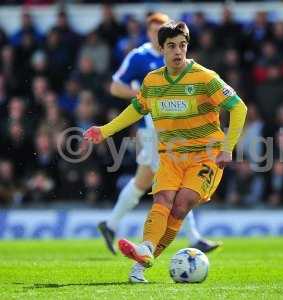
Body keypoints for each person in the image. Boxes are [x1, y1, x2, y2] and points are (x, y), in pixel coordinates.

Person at [84, 20, 247, 283]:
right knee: (162, 201)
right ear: (161, 49)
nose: (178, 51)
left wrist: (228, 147)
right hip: (170, 154)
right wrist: (104, 131)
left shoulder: (206, 78)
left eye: (182, 45)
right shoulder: (153, 81)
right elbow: (135, 110)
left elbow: (239, 108)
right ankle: (144, 254)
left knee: (180, 205)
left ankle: (144, 256)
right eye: (171, 46)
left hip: (206, 154)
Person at [96, 13, 221, 257]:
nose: (156, 35)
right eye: (153, 31)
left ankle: (110, 225)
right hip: (153, 133)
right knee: (176, 183)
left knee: (144, 182)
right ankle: (194, 238)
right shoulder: (140, 57)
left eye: (159, 30)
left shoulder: (179, 62)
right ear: (149, 33)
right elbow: (114, 86)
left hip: (177, 134)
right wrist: (145, 98)